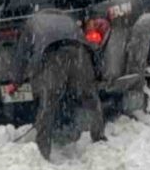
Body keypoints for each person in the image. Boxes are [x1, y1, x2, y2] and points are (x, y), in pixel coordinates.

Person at [7, 9, 106, 160]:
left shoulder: (32, 22)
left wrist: (15, 82)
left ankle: (42, 152)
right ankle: (99, 138)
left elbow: (22, 55)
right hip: (80, 53)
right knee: (90, 98)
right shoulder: (69, 20)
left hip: (54, 55)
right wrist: (97, 74)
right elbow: (90, 46)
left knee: (49, 103)